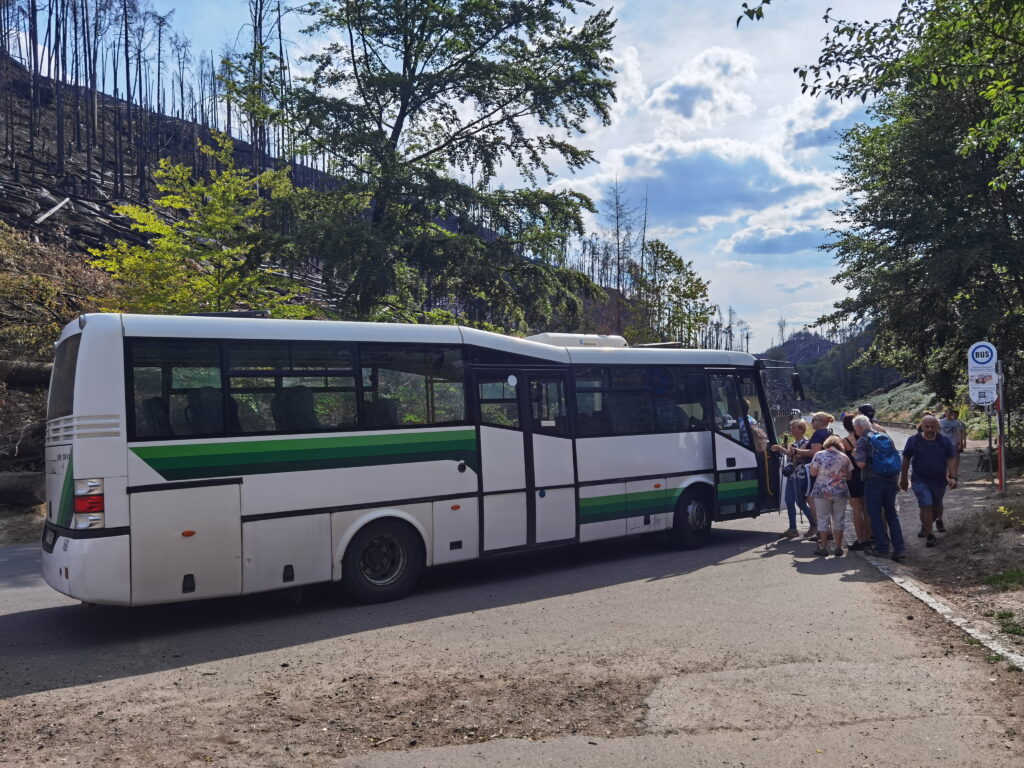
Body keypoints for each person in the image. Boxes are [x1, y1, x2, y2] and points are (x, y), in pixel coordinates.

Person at [852, 414, 907, 561]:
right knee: (891, 514)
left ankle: (882, 548)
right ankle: (899, 548)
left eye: (855, 428)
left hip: (873, 481)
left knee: (875, 515)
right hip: (891, 479)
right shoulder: (885, 437)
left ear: (859, 427)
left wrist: (855, 454)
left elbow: (861, 464)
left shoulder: (863, 440)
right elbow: (895, 457)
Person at [900, 414, 958, 547]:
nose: (930, 429)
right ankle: (930, 534)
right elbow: (906, 460)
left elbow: (951, 458)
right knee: (926, 504)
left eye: (933, 426)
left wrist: (953, 476)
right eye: (927, 426)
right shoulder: (913, 441)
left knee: (936, 508)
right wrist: (903, 479)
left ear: (937, 426)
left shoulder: (944, 441)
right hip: (919, 480)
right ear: (922, 426)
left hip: (938, 480)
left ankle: (926, 526)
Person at [771, 419, 816, 537]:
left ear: (801, 430)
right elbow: (792, 455)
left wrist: (782, 449)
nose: (792, 430)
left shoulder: (806, 442)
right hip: (792, 476)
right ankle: (793, 528)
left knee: (800, 502)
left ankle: (814, 524)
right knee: (789, 501)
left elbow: (799, 456)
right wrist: (783, 449)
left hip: (801, 476)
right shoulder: (795, 443)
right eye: (791, 428)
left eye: (794, 428)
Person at [809, 435, 853, 556]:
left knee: (823, 518)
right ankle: (838, 547)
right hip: (840, 491)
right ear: (840, 446)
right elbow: (849, 477)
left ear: (826, 444)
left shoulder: (818, 455)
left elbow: (812, 473)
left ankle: (823, 547)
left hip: (822, 491)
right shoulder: (845, 457)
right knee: (839, 519)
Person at [841, 414, 871, 551]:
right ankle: (870, 537)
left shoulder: (845, 441)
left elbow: (844, 462)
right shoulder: (866, 438)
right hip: (867, 475)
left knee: (857, 510)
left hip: (853, 478)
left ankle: (861, 540)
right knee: (867, 510)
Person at [939, 407, 967, 498]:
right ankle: (946, 477)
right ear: (944, 413)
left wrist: (960, 443)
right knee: (944, 461)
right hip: (943, 443)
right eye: (946, 412)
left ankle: (953, 476)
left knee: (953, 460)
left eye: (949, 412)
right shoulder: (941, 422)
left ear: (951, 414)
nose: (948, 414)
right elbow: (938, 432)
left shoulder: (956, 423)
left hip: (953, 443)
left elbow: (959, 433)